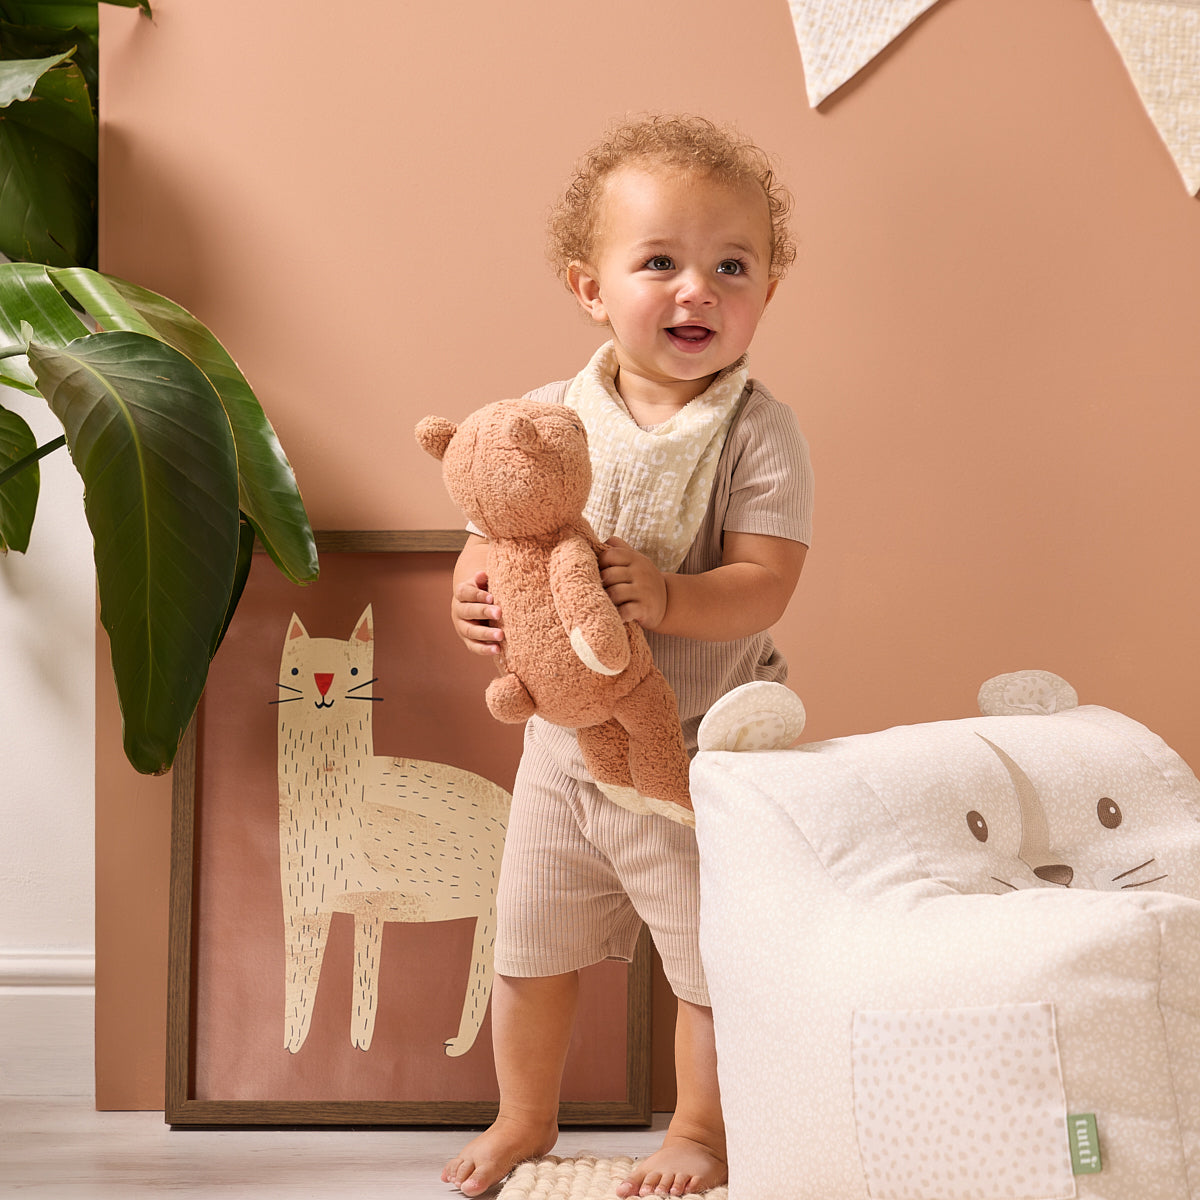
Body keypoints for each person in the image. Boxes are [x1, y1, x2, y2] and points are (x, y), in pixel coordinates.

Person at [441, 113, 813, 1198]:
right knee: (530, 943)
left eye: (730, 266)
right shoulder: (552, 418)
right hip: (563, 748)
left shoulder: (757, 431)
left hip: (697, 753)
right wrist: (467, 603)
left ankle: (700, 1131)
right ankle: (524, 1115)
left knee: (705, 962)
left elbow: (767, 581)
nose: (697, 289)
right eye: (660, 263)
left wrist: (668, 594)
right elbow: (490, 537)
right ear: (589, 287)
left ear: (768, 291)